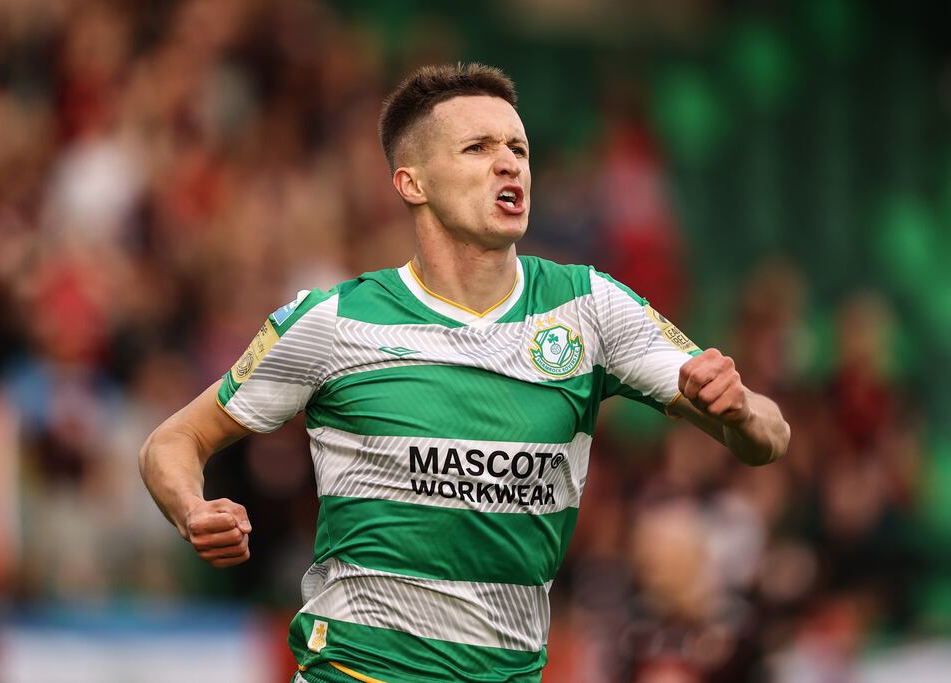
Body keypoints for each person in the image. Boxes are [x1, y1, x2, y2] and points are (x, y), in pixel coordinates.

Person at [139, 63, 790, 683]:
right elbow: (172, 441)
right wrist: (193, 510)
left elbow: (769, 434)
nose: (509, 163)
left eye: (518, 148)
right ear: (412, 183)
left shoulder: (589, 308)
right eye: (478, 148)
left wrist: (739, 411)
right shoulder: (333, 321)